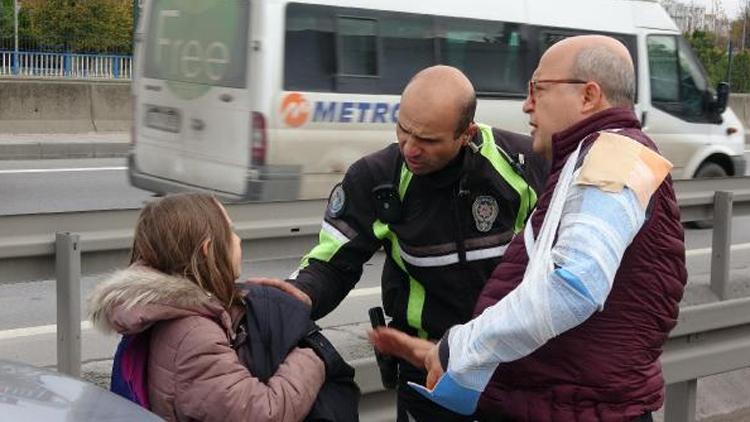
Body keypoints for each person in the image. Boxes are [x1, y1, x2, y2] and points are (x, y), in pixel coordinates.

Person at [371, 35, 688, 421]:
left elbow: (574, 283)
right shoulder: (588, 159)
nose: (527, 104)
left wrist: (463, 346)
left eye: (538, 89)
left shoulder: (614, 157)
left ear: (588, 96)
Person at [254, 65, 547, 421]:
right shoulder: (376, 178)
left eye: (428, 140)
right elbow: (333, 263)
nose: (411, 148)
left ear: (466, 133)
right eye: (403, 130)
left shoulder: (522, 163)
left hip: (506, 361)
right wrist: (301, 294)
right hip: (422, 364)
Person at [88, 193, 327, 422]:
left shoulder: (160, 310)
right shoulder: (194, 334)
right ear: (208, 249)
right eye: (231, 231)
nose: (238, 239)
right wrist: (311, 356)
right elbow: (262, 413)